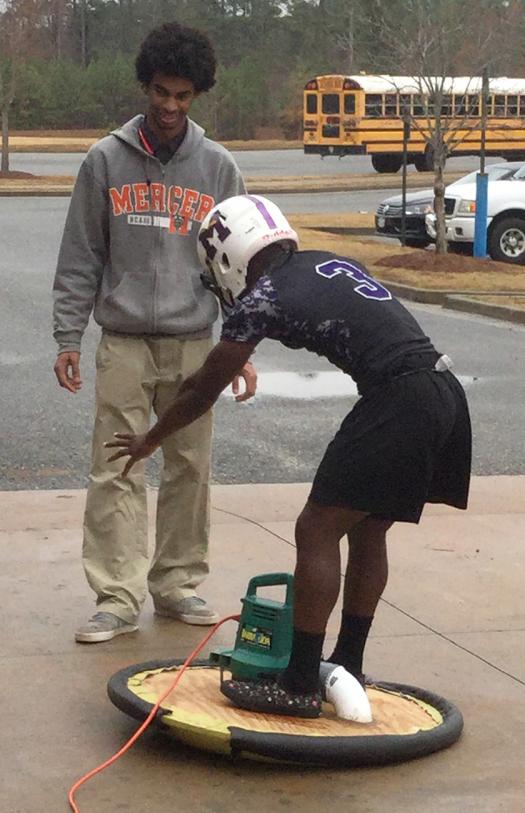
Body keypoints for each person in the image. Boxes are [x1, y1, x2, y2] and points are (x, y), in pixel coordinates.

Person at [106, 194, 471, 718]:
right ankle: (347, 662)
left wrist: (150, 439)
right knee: (368, 529)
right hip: (443, 392)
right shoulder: (333, 261)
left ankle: (298, 682)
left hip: (399, 397)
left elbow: (200, 390)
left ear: (227, 255)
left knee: (316, 529)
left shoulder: (265, 296)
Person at [52, 22, 256, 644]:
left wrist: (240, 344)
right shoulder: (104, 160)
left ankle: (175, 584)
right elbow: (81, 254)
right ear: (145, 85)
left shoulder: (218, 166)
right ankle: (116, 595)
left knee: (189, 464)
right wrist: (68, 335)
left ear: (197, 95)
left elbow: (243, 261)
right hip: (124, 342)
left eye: (183, 96)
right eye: (161, 92)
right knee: (116, 466)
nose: (169, 107)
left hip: (196, 342)